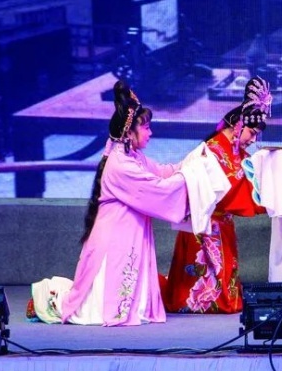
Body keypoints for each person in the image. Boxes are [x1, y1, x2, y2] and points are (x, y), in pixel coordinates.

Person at [57, 81, 190, 326]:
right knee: (110, 299)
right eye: (146, 128)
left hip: (126, 235)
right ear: (129, 133)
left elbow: (162, 172)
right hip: (115, 238)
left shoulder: (132, 156)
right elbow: (159, 188)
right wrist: (189, 177)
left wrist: (193, 162)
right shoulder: (121, 165)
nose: (150, 133)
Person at [161, 76, 282, 314]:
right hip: (204, 223)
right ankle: (197, 301)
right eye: (251, 133)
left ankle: (210, 300)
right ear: (238, 125)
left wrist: (281, 162)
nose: (253, 140)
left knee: (225, 276)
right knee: (201, 276)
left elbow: (252, 175)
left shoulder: (235, 150)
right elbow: (231, 186)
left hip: (222, 223)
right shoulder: (212, 150)